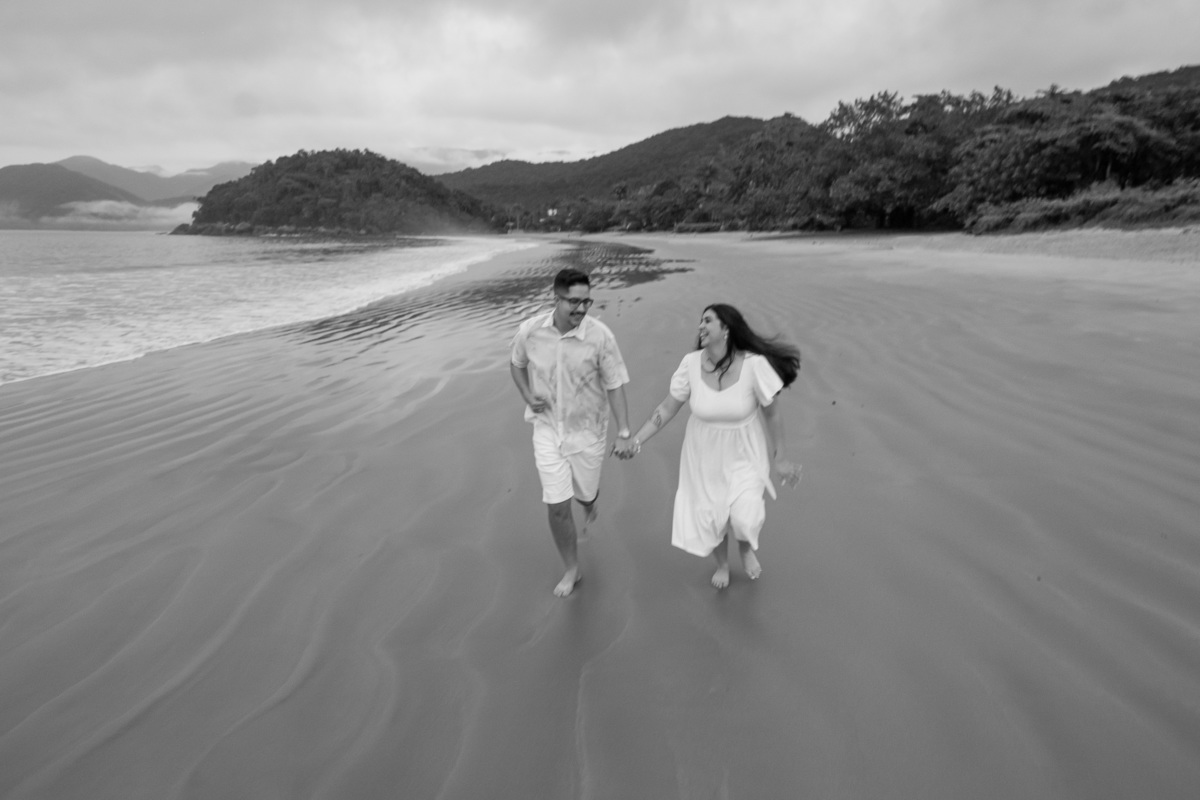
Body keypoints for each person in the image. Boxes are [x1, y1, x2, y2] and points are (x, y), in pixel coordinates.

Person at [614, 303, 801, 589]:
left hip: (745, 450)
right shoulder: (690, 364)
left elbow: (772, 413)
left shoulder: (754, 365)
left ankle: (745, 547)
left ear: (726, 328)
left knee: (744, 515)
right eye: (700, 321)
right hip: (703, 454)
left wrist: (781, 458)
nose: (700, 326)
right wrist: (636, 440)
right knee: (711, 514)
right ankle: (723, 565)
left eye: (708, 321)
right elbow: (666, 408)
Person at [510, 268, 634, 597]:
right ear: (557, 298)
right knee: (557, 504)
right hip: (548, 429)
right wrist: (526, 394)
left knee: (585, 494)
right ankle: (572, 568)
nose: (581, 309)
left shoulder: (600, 336)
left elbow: (615, 384)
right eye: (574, 302)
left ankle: (589, 502)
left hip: (589, 431)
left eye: (586, 302)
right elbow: (516, 362)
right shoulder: (531, 331)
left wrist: (623, 431)